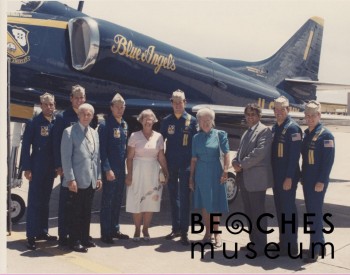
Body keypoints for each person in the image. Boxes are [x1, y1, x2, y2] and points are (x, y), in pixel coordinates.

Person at [232, 103, 273, 256]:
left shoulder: (264, 131)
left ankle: (261, 246)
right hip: (244, 178)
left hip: (256, 180)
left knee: (258, 213)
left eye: (253, 115)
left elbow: (259, 152)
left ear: (259, 116)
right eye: (248, 115)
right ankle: (253, 242)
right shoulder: (246, 132)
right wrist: (235, 161)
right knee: (249, 213)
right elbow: (240, 151)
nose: (250, 117)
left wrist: (241, 164)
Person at [61, 103, 102, 253]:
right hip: (76, 181)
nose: (86, 117)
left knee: (86, 211)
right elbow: (66, 158)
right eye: (83, 114)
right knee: (75, 213)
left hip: (90, 180)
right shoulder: (69, 132)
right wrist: (70, 179)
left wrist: (98, 177)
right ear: (78, 115)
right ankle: (74, 241)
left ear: (92, 116)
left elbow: (96, 158)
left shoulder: (94, 133)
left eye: (89, 114)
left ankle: (84, 237)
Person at [21, 92, 58, 250]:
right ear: (41, 105)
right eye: (46, 104)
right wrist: (27, 167)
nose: (49, 107)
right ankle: (31, 235)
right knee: (35, 202)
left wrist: (57, 166)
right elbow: (25, 147)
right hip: (36, 168)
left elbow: (56, 147)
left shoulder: (56, 123)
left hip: (50, 169)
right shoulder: (33, 122)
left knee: (45, 201)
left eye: (51, 104)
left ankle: (43, 231)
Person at [160, 89, 197, 246]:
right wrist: (163, 167)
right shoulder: (166, 121)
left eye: (180, 102)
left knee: (184, 198)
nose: (177, 105)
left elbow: (197, 145)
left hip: (187, 165)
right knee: (173, 197)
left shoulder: (192, 121)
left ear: (185, 102)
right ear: (171, 103)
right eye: (174, 102)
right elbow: (160, 144)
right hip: (171, 165)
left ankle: (184, 232)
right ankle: (175, 228)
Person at [125, 109, 169, 241]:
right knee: (136, 200)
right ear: (141, 120)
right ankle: (137, 229)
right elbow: (130, 158)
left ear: (154, 121)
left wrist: (166, 171)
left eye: (150, 119)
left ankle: (146, 229)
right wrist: (129, 175)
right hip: (138, 171)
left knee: (150, 201)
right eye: (145, 118)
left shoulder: (159, 137)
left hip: (153, 171)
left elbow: (161, 157)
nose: (148, 121)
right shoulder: (134, 136)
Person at [189, 107, 230, 248]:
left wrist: (225, 171)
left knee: (215, 204)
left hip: (216, 172)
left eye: (208, 120)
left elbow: (226, 154)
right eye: (203, 120)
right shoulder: (196, 138)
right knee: (205, 204)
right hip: (201, 173)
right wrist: (191, 178)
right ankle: (207, 233)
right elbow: (193, 159)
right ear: (198, 121)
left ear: (213, 121)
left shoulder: (220, 135)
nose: (206, 123)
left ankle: (217, 233)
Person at [52, 84, 86, 246]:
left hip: (82, 169)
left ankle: (76, 234)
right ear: (71, 98)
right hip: (68, 167)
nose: (79, 100)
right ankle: (63, 236)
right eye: (76, 97)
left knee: (79, 204)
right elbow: (55, 143)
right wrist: (59, 166)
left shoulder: (86, 117)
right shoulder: (62, 117)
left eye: (82, 97)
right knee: (66, 203)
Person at [301, 101, 335, 263]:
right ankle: (318, 244)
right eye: (307, 116)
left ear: (319, 115)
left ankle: (315, 249)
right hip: (307, 180)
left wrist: (321, 180)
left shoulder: (326, 135)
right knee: (312, 213)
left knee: (314, 213)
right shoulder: (307, 133)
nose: (310, 119)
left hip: (317, 182)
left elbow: (328, 162)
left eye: (313, 115)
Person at [271, 96, 302, 256]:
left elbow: (294, 156)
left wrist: (289, 177)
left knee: (289, 210)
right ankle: (283, 242)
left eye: (282, 110)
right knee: (280, 209)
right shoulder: (275, 127)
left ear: (288, 110)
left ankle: (292, 245)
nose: (279, 113)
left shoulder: (293, 128)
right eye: (276, 110)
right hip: (277, 177)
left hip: (287, 177)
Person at [98, 93, 129, 244]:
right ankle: (106, 232)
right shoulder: (105, 125)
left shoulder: (124, 124)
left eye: (122, 107)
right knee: (108, 201)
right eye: (117, 107)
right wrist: (107, 169)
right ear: (111, 107)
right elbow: (102, 151)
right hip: (110, 169)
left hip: (121, 169)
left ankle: (115, 228)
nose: (119, 109)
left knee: (117, 200)